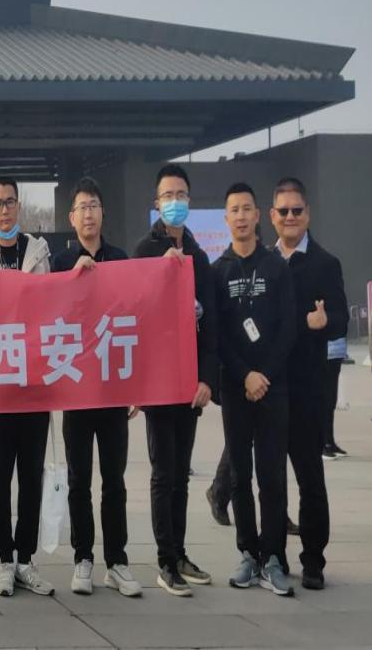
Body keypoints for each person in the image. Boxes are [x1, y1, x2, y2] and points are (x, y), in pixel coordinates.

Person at [50, 177, 140, 598]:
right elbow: (48, 312)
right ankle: (82, 558)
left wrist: (136, 383)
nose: (88, 214)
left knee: (114, 480)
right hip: (76, 388)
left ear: (104, 213)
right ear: (72, 218)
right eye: (82, 207)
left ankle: (117, 561)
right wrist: (72, 279)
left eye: (94, 206)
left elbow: (134, 317)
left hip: (112, 388)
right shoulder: (61, 262)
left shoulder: (120, 260)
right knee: (79, 480)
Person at [0, 176, 54, 597]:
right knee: (1, 478)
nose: (4, 209)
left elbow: (54, 307)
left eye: (10, 202)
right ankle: (5, 558)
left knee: (31, 477)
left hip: (34, 384)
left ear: (19, 206)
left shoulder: (38, 253)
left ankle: (26, 558)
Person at [134, 163, 218, 596]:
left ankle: (181, 553)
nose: (175, 202)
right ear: (156, 203)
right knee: (162, 474)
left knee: (181, 474)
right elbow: (134, 314)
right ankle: (165, 560)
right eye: (168, 196)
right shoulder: (144, 251)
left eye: (181, 195)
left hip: (189, 385)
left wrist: (207, 379)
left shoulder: (200, 257)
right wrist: (159, 273)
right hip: (158, 382)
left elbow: (212, 324)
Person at [212, 182, 295, 597]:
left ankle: (274, 557)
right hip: (235, 389)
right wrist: (244, 375)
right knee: (240, 475)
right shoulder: (218, 272)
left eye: (247, 208)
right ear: (226, 219)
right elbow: (218, 334)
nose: (241, 216)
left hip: (273, 388)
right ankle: (248, 553)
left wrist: (264, 375)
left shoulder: (276, 267)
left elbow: (288, 327)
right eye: (234, 210)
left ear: (258, 215)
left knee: (272, 475)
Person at [269, 177, 346, 589]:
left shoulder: (325, 264)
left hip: (307, 391)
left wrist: (325, 320)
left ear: (308, 214)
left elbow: (342, 320)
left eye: (296, 210)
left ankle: (313, 559)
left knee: (310, 480)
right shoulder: (264, 263)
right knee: (271, 482)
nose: (290, 217)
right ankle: (273, 557)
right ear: (272, 216)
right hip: (268, 390)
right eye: (283, 211)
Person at [322, 336, 348, 459]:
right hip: (326, 353)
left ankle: (330, 441)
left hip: (337, 352)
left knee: (331, 401)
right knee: (325, 401)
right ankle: (324, 444)